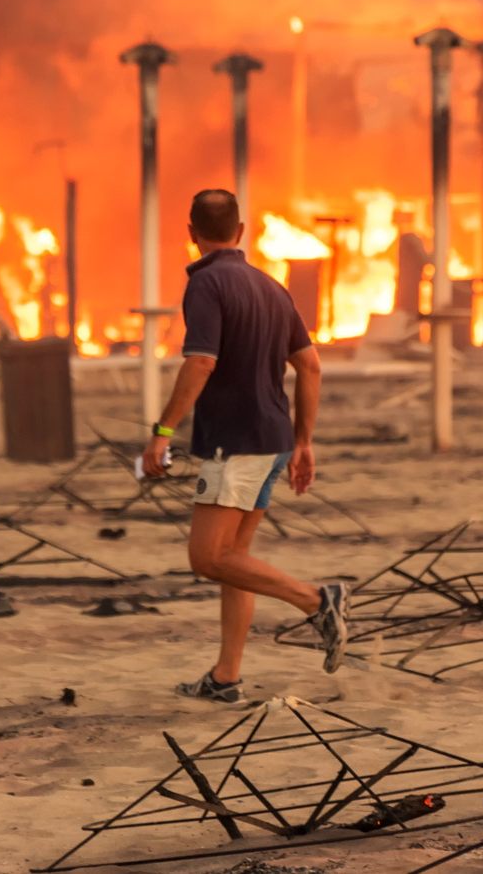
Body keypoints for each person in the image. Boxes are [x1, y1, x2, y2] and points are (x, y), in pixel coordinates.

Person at [141, 188, 348, 704]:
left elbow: (201, 361)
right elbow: (311, 365)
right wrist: (303, 442)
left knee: (206, 557)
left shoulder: (207, 284)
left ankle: (318, 600)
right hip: (273, 437)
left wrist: (162, 430)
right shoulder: (272, 287)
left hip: (235, 443)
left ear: (191, 235)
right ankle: (226, 677)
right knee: (235, 558)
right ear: (240, 231)